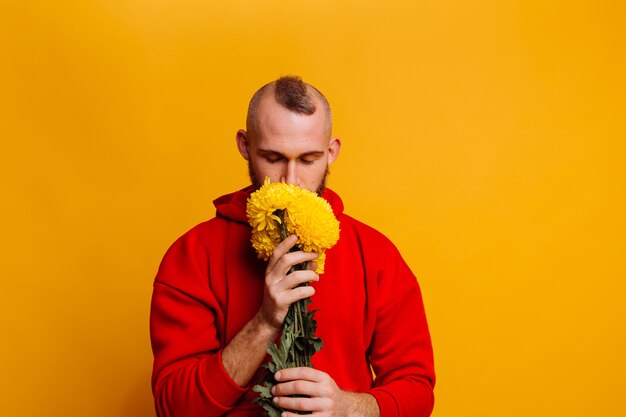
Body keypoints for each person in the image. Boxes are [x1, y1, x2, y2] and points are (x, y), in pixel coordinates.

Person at [150, 76, 435, 417]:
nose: (291, 180)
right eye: (273, 157)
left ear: (331, 152)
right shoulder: (192, 255)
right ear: (245, 146)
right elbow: (175, 408)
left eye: (309, 159)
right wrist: (265, 321)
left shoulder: (376, 255)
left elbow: (417, 389)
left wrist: (348, 408)